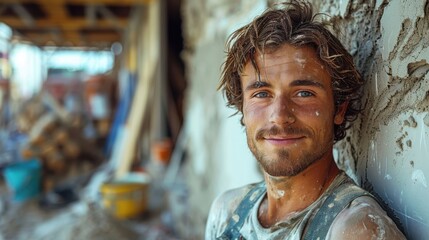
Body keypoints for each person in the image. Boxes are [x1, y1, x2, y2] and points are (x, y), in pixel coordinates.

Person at [205, 1, 406, 239]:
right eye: (261, 94)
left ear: (339, 109)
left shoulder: (355, 229)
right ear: (243, 108)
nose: (279, 116)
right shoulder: (228, 212)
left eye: (304, 93)